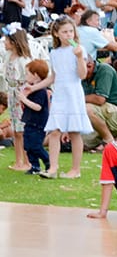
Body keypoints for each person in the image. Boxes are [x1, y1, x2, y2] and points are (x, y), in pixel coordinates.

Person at [26, 18, 93, 179]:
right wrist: (33, 87)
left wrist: (78, 57)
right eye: (64, 32)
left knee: (74, 131)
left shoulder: (79, 50)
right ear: (56, 33)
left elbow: (82, 75)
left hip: (74, 93)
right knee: (54, 131)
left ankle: (75, 169)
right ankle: (53, 167)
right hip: (60, 95)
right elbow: (53, 77)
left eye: (71, 31)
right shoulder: (54, 53)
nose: (68, 34)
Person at [82, 56, 117, 152]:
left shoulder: (105, 70)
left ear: (89, 65)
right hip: (102, 116)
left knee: (88, 109)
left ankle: (109, 141)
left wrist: (76, 99)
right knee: (76, 142)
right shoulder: (81, 76)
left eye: (80, 68)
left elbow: (100, 99)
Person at [4, 28, 33, 171]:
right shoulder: (8, 57)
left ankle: (28, 161)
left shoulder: (23, 60)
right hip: (12, 94)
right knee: (16, 129)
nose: (4, 42)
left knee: (22, 129)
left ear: (14, 42)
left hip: (21, 95)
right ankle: (18, 161)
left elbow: (29, 79)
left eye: (7, 40)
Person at [17, 59, 50, 175]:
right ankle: (34, 165)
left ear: (35, 75)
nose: (26, 76)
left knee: (36, 145)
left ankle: (48, 161)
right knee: (27, 145)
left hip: (38, 123)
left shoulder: (41, 91)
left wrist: (24, 99)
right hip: (29, 121)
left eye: (27, 73)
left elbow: (38, 107)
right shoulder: (31, 89)